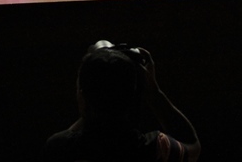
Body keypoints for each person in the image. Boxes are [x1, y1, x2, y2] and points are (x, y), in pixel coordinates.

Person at [43, 41, 201, 162]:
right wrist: (153, 93)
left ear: (82, 98)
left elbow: (69, 136)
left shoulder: (60, 148)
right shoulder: (157, 148)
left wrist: (94, 100)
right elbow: (193, 147)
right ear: (133, 96)